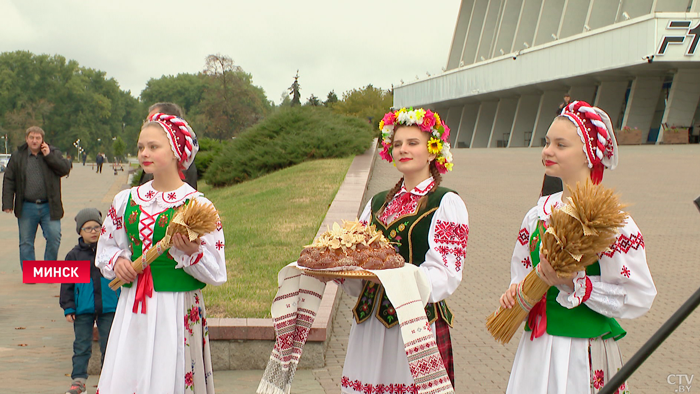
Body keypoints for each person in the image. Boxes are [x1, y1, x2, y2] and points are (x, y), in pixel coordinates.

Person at [500, 101, 657, 394]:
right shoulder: (539, 213)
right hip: (538, 346)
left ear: (588, 155)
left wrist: (577, 285)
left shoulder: (612, 221)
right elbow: (522, 268)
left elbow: (638, 294)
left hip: (580, 351)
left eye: (561, 145)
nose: (548, 151)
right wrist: (516, 291)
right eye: (547, 142)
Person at [339, 108, 469, 392]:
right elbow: (355, 259)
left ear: (433, 151)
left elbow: (447, 273)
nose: (402, 149)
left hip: (414, 323)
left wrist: (391, 277)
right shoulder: (377, 203)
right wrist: (340, 270)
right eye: (397, 144)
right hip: (369, 323)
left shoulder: (444, 203)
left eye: (412, 143)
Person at [95, 113, 226, 393]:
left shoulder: (198, 206)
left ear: (177, 151)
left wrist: (192, 253)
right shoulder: (126, 200)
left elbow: (216, 270)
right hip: (133, 306)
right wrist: (118, 262)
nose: (144, 153)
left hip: (175, 306)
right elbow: (107, 246)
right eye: (141, 146)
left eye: (154, 147)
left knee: (171, 373)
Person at [60, 208, 120, 394]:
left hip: (109, 306)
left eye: (97, 227)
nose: (93, 231)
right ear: (80, 231)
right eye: (88, 228)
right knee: (81, 345)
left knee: (109, 345)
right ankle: (78, 381)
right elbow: (67, 285)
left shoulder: (111, 253)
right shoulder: (74, 256)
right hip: (82, 309)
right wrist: (69, 307)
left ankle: (107, 380)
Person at [2, 126, 71, 271]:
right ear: (26, 139)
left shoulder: (52, 153)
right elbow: (9, 179)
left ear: (42, 140)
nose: (34, 141)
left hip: (49, 206)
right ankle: (30, 273)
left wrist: (49, 156)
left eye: (38, 138)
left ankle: (48, 270)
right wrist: (7, 203)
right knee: (26, 242)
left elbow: (64, 169)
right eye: (31, 137)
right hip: (27, 205)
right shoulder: (18, 156)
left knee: (54, 238)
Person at [138, 103, 198, 190]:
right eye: (140, 148)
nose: (144, 154)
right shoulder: (127, 197)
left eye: (153, 147)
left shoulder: (182, 171)